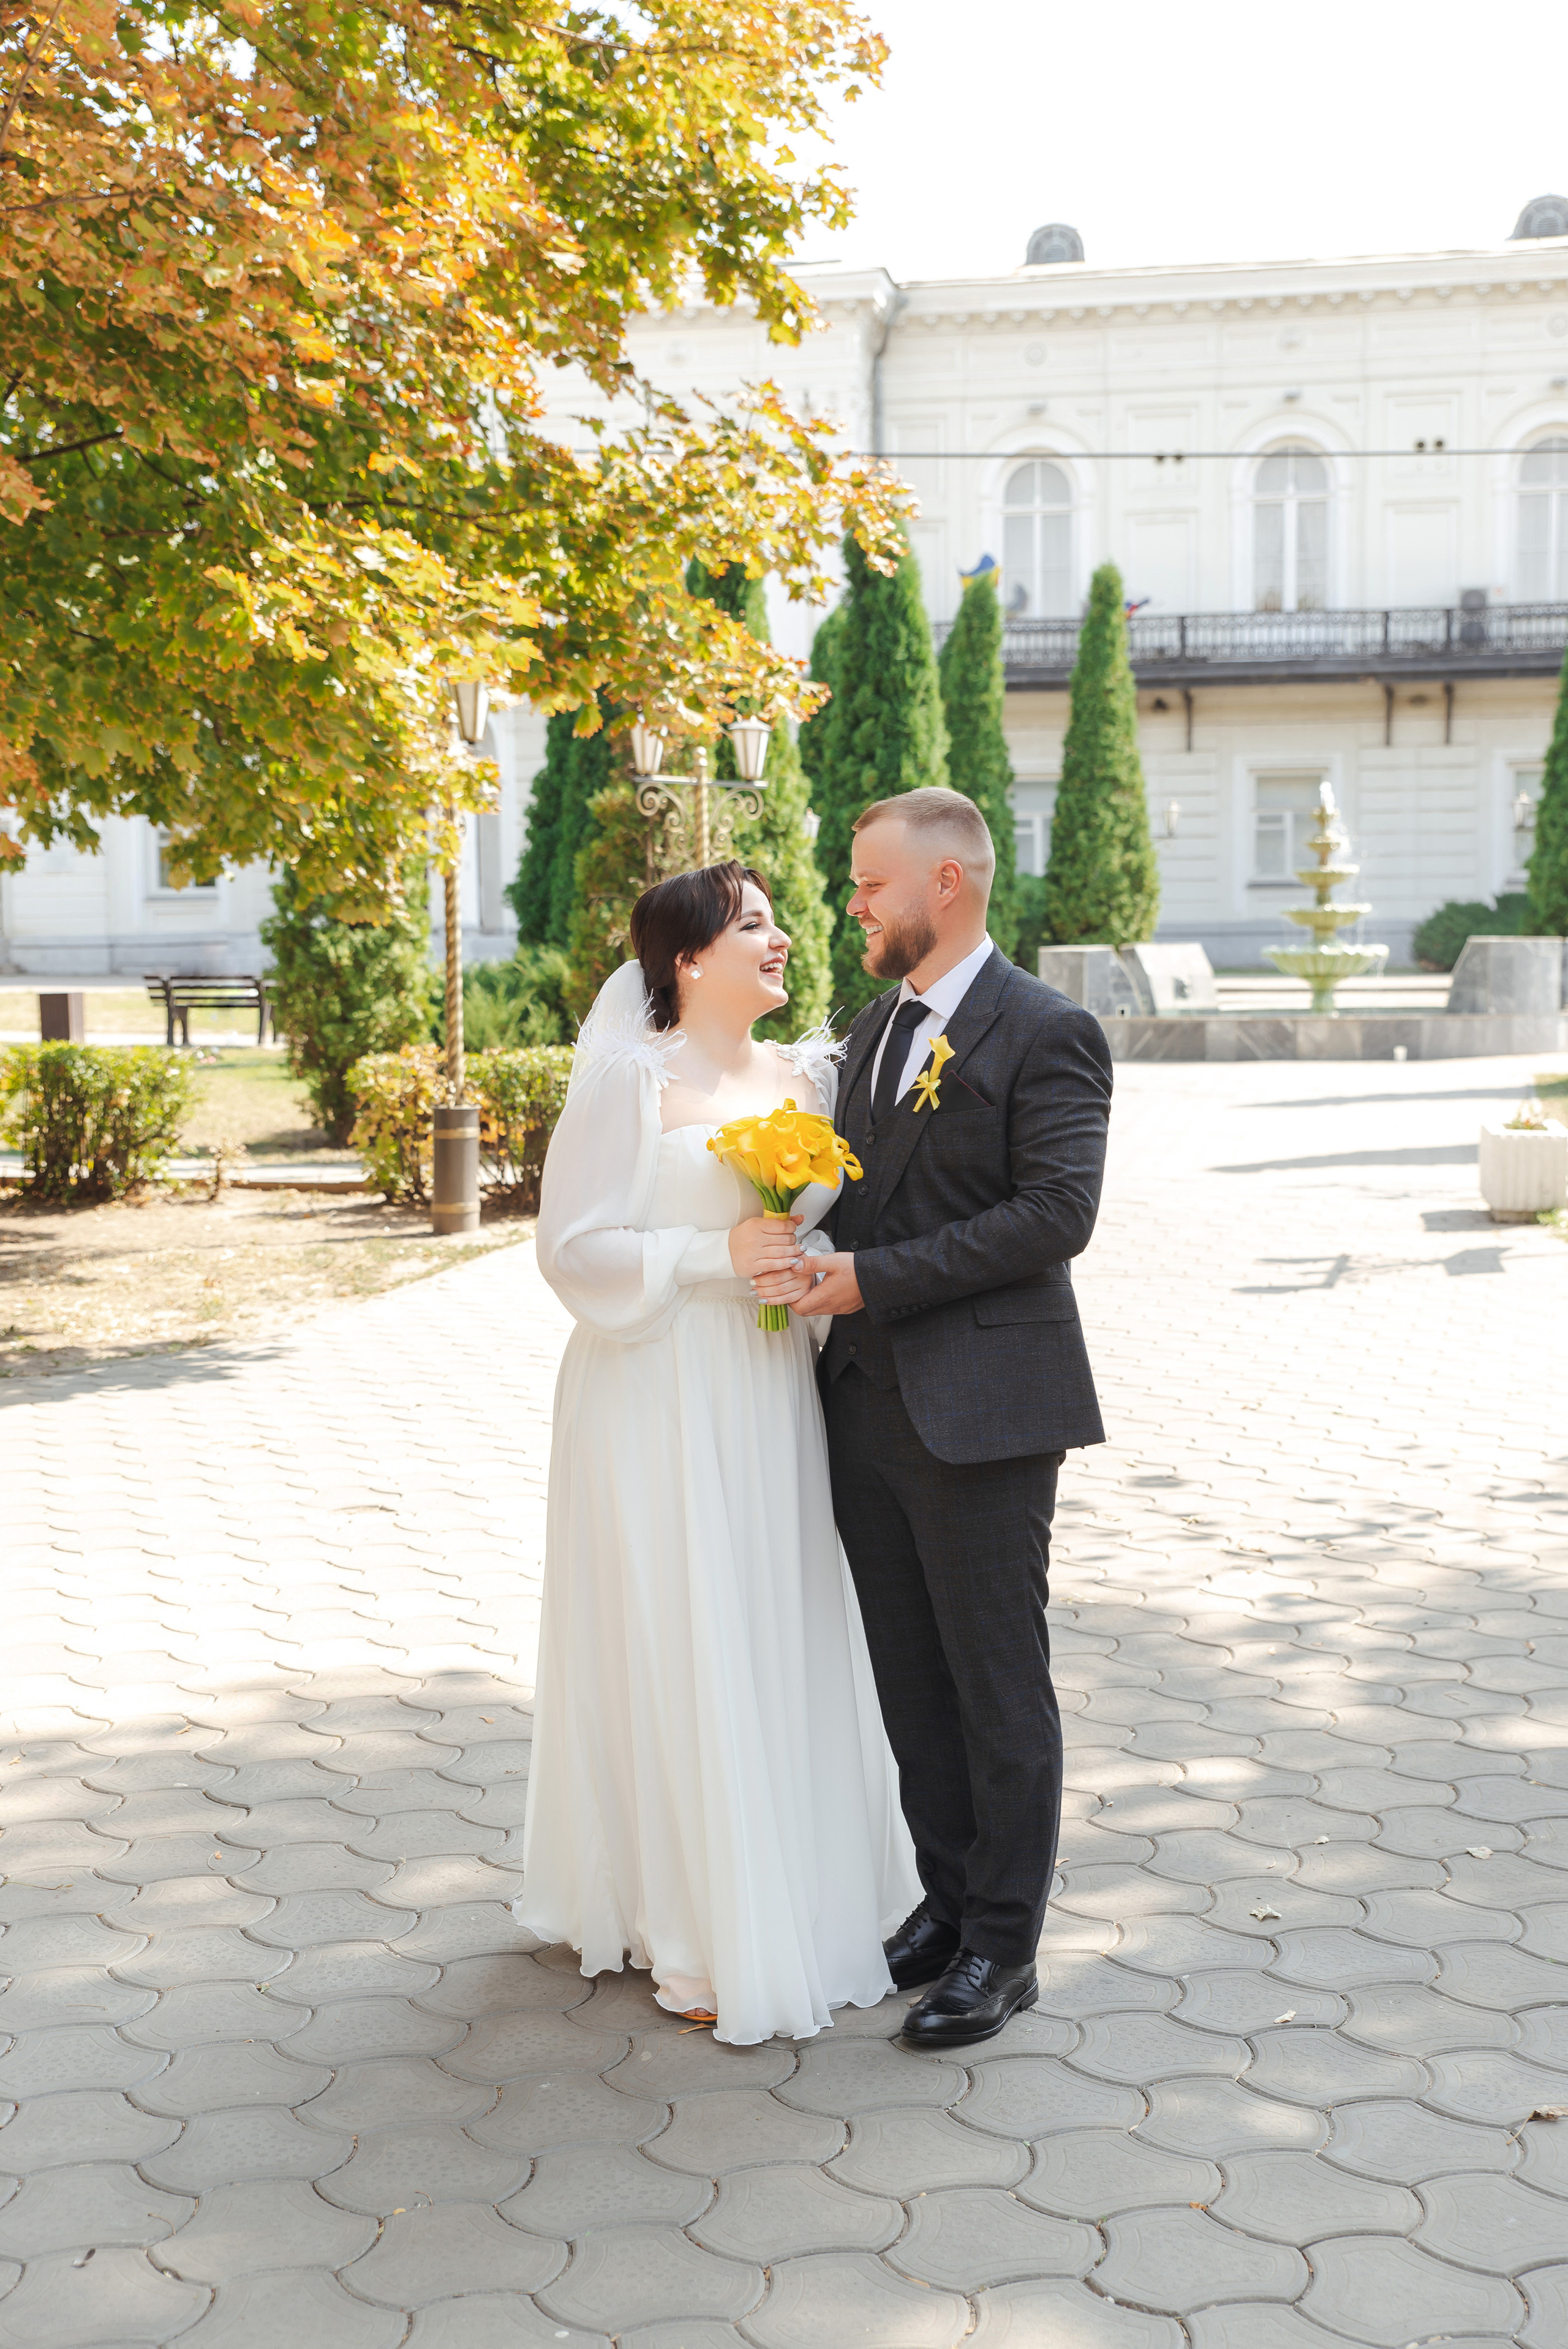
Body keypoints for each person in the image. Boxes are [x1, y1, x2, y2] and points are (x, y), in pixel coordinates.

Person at [517, 860, 919, 2045]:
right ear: (690, 959)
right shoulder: (629, 1079)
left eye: (778, 919)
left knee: (774, 1621)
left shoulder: (813, 1074)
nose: (783, 936)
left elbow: (833, 1224)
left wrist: (803, 1275)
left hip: (768, 1386)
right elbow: (572, 1249)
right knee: (680, 1627)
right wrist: (713, 1259)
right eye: (755, 924)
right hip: (653, 1386)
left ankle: (797, 1889)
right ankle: (688, 1919)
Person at [755, 787, 1112, 2049]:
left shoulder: (1045, 1030)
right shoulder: (869, 1026)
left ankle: (1003, 1950)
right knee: (908, 1679)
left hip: (984, 1412)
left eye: (867, 885)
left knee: (993, 1685)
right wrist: (779, 1243)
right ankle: (946, 1902)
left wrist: (874, 1279)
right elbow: (855, 1195)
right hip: (861, 1400)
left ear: (943, 886)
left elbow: (1054, 1214)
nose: (851, 906)